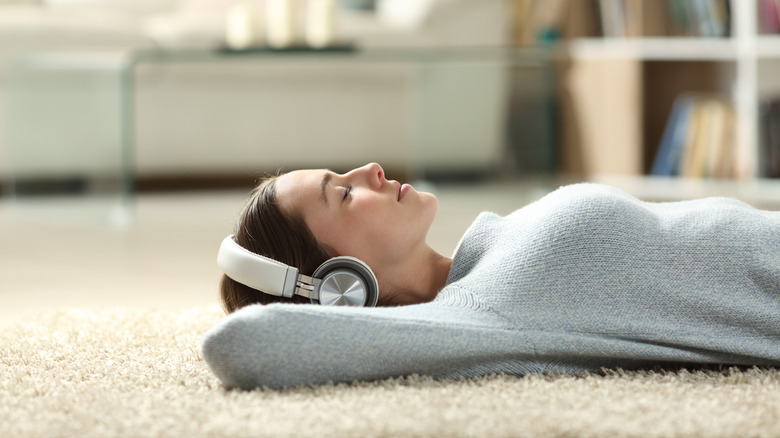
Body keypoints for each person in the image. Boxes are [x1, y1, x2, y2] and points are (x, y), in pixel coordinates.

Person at [201, 163, 780, 389]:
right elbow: (244, 345)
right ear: (338, 284)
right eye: (344, 194)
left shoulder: (487, 258)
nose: (371, 170)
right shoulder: (475, 317)